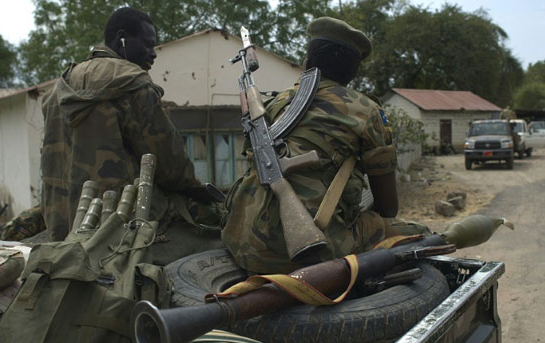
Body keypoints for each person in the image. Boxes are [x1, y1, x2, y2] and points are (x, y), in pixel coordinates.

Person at [222, 17, 417, 274]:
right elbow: (388, 206)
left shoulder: (277, 104)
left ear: (307, 63)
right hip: (310, 252)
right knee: (416, 234)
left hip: (243, 243)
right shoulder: (366, 111)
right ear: (353, 72)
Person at [41, 7, 217, 241]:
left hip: (61, 222)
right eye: (147, 44)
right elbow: (169, 164)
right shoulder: (132, 82)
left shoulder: (58, 89)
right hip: (115, 222)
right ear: (121, 38)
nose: (153, 54)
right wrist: (198, 191)